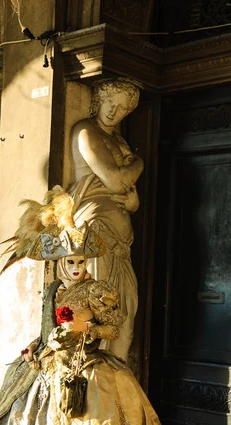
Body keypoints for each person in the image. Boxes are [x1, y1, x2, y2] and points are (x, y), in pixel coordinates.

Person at [0, 190, 218, 425]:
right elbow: (45, 329)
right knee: (18, 422)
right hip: (47, 367)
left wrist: (85, 328)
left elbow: (113, 329)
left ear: (87, 261)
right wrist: (36, 344)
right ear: (60, 263)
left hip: (85, 367)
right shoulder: (54, 290)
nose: (76, 269)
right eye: (69, 263)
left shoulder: (99, 291)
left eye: (80, 262)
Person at [70, 78, 144, 362]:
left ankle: (116, 388)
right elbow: (115, 181)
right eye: (111, 103)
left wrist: (134, 204)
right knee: (97, 313)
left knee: (125, 316)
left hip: (120, 241)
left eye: (123, 109)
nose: (114, 111)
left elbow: (126, 189)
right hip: (96, 233)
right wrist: (139, 162)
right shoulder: (86, 131)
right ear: (100, 99)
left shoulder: (119, 141)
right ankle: (90, 384)